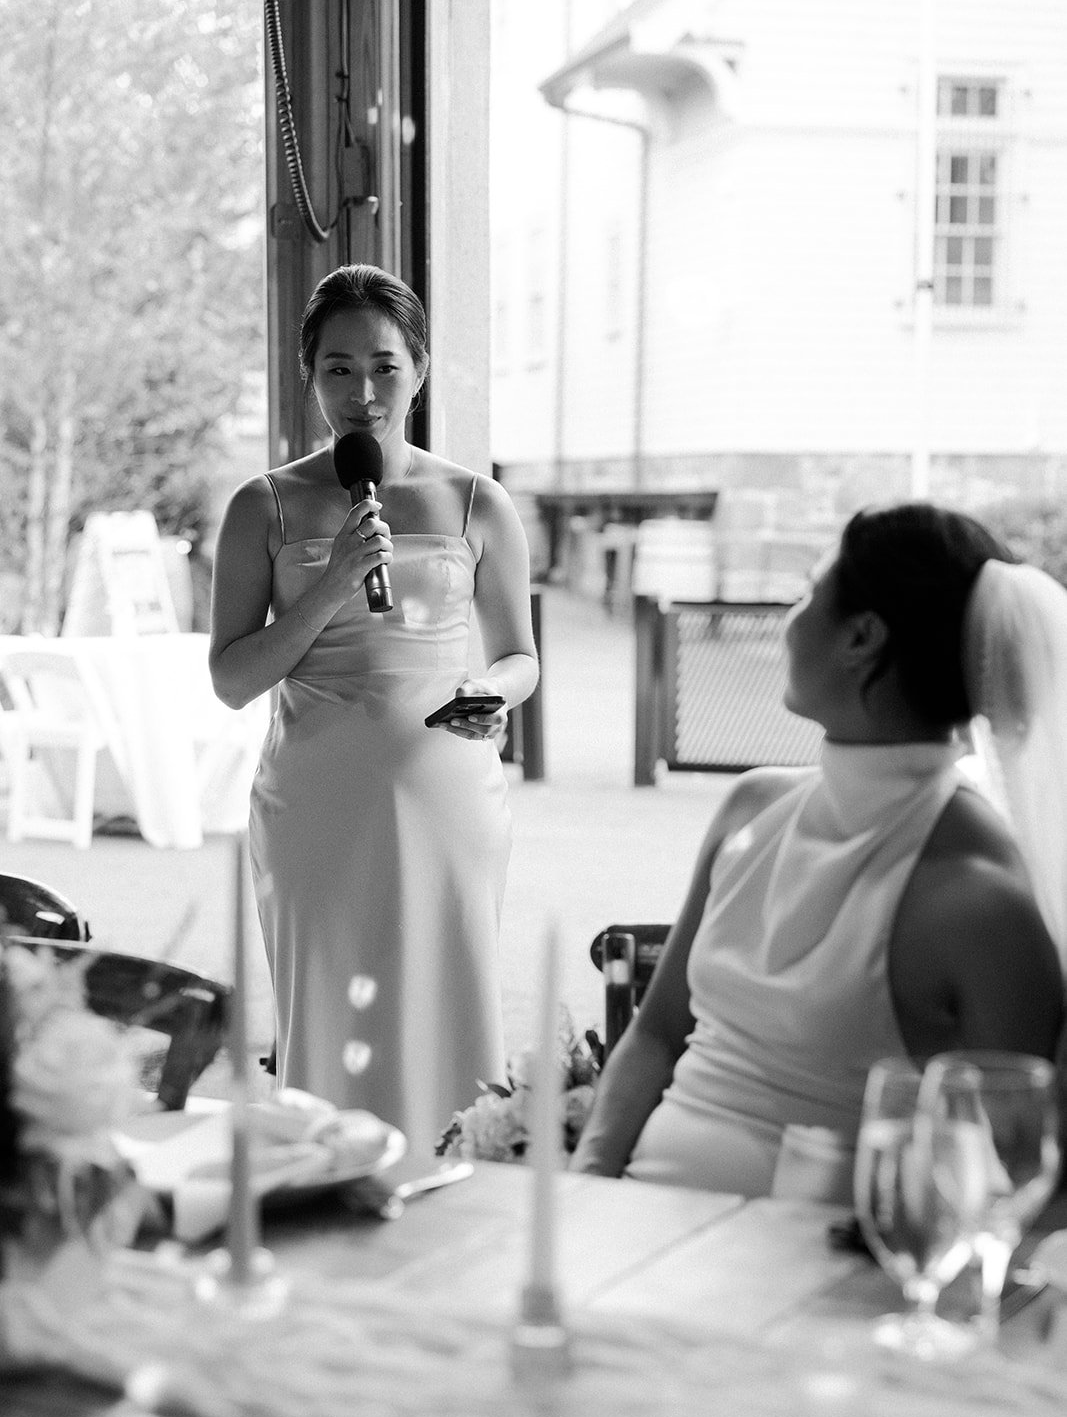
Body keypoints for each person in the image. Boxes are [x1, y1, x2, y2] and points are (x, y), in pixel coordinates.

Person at [572, 502, 1067, 1194]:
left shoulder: (975, 895)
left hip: (821, 1275)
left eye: (807, 592)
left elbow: (1016, 1171)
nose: (790, 618)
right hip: (634, 1226)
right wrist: (586, 1186)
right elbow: (655, 1033)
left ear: (861, 635)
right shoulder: (753, 804)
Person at [209, 264, 538, 1154]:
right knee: (332, 1013)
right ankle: (331, 1182)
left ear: (421, 369)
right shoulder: (263, 505)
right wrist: (330, 588)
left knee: (451, 999)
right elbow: (233, 678)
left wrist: (491, 691)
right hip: (318, 802)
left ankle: (457, 1182)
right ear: (309, 375)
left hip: (449, 797)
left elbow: (520, 656)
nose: (364, 393)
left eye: (385, 367)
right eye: (339, 370)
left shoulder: (478, 501)